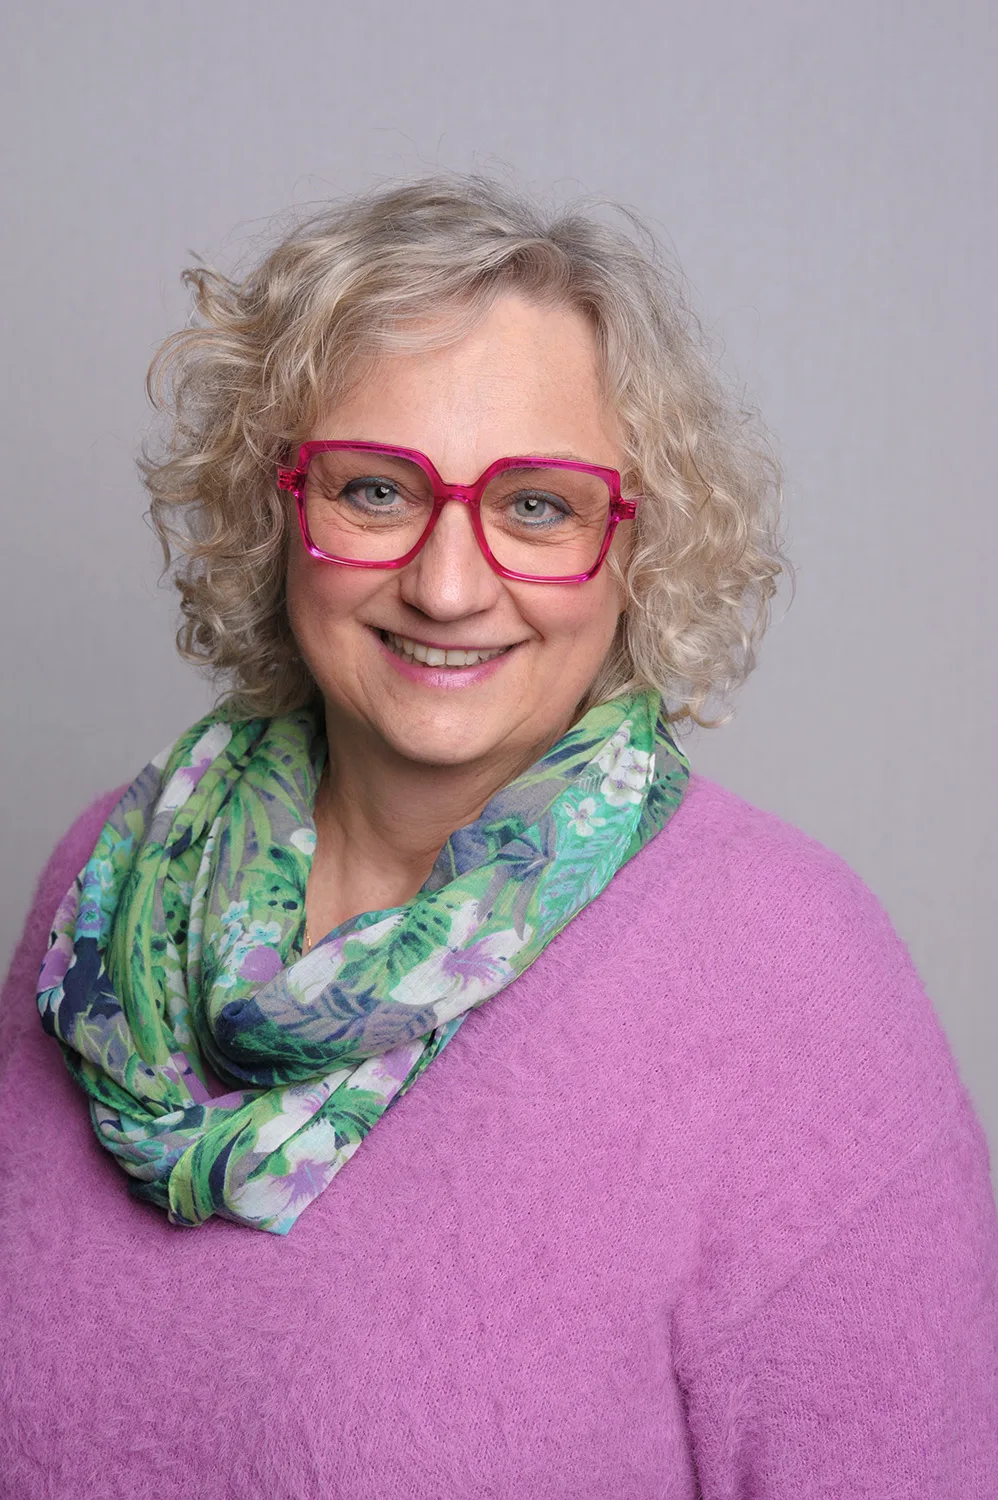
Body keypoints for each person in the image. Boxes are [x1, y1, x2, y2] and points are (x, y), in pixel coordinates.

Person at [1, 175, 995, 1497]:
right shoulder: (109, 885)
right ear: (275, 506)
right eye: (375, 489)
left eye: (536, 505)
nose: (448, 584)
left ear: (636, 544)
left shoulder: (793, 982)